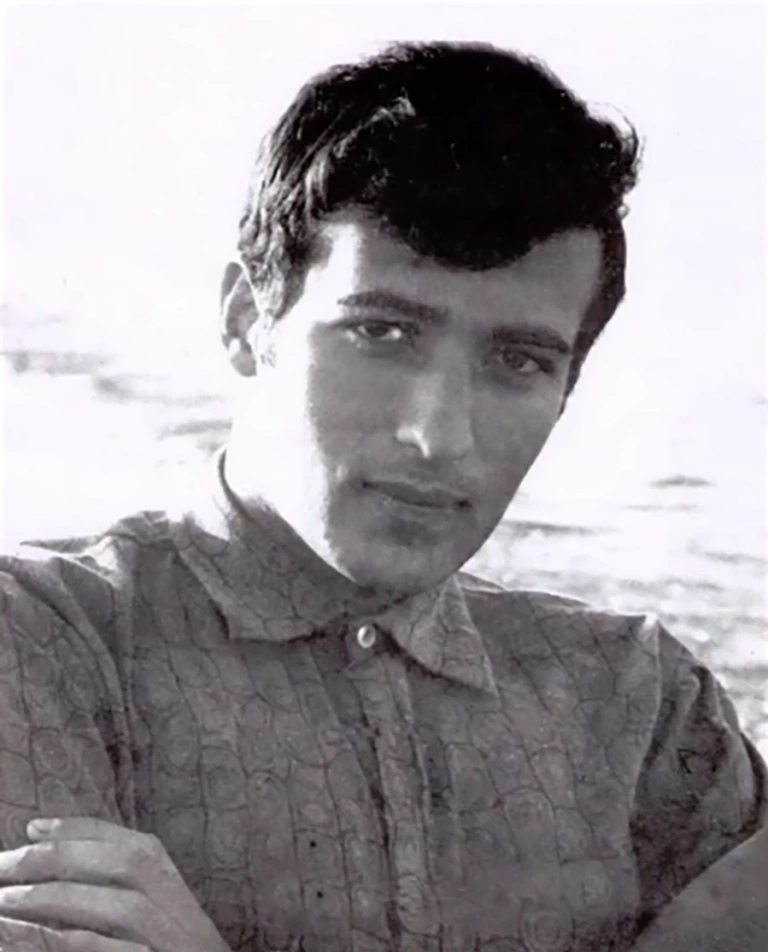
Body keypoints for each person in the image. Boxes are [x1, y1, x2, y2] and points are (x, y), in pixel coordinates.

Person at [0, 40, 765, 952]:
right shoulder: (41, 642)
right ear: (247, 320)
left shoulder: (646, 710)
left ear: (568, 388)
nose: (439, 436)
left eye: (519, 361)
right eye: (383, 333)